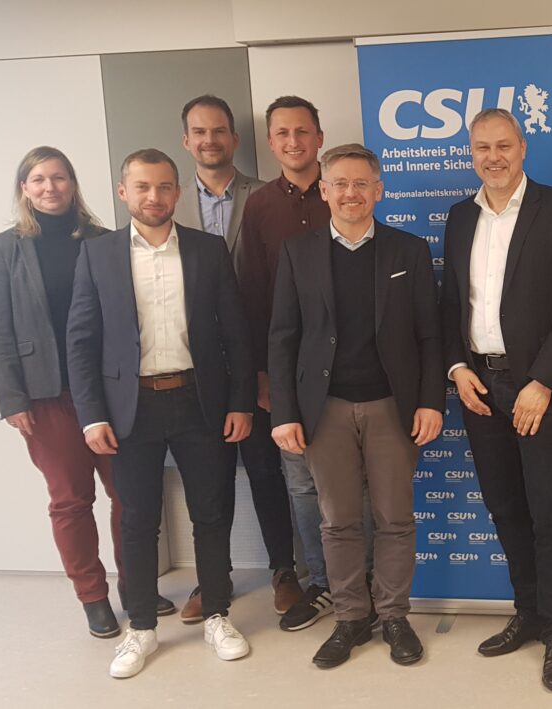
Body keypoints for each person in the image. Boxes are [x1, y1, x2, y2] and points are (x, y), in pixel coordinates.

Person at [67, 149, 254, 678]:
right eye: (143, 187)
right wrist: (91, 415)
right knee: (138, 519)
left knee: (211, 513)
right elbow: (80, 341)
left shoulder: (207, 250)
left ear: (177, 192)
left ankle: (217, 615)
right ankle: (142, 627)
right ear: (124, 192)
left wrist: (241, 401)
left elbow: (236, 333)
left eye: (165, 186)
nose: (154, 197)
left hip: (200, 400)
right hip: (130, 408)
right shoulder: (98, 255)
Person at [0, 146, 175, 639]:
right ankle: (93, 597)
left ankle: (136, 587)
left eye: (59, 177)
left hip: (111, 391)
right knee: (71, 499)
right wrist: (12, 400)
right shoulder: (1, 250)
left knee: (129, 495)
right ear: (25, 188)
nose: (50, 187)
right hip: (46, 396)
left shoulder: (104, 241)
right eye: (39, 179)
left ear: (73, 184)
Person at [269, 143, 443, 669]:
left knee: (394, 519)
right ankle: (350, 617)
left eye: (361, 183)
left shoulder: (408, 250)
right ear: (324, 191)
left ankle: (393, 615)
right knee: (338, 521)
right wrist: (284, 413)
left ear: (379, 190)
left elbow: (430, 335)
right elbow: (282, 337)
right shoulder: (297, 252)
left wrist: (430, 402)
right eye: (340, 184)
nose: (351, 193)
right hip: (324, 410)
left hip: (392, 405)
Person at [440, 108, 552, 692]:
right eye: (482, 147)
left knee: (548, 512)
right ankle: (527, 613)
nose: (493, 157)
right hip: (479, 386)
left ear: (523, 147)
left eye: (503, 145)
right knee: (505, 507)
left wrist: (543, 381)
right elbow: (450, 303)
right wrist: (457, 369)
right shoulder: (461, 216)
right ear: (471, 153)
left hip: (538, 389)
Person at [173, 94, 300, 624]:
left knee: (268, 471)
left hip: (258, 359)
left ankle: (284, 571)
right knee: (210, 479)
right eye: (200, 132)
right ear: (187, 141)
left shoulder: (267, 196)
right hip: (196, 367)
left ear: (235, 139)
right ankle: (212, 577)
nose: (210, 140)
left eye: (219, 131)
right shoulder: (168, 201)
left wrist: (266, 370)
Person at [239, 95, 338, 631]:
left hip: (346, 370)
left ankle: (361, 582)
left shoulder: (342, 189)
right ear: (271, 142)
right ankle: (320, 581)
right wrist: (263, 376)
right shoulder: (259, 207)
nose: (294, 142)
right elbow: (253, 297)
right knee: (300, 483)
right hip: (287, 372)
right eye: (283, 133)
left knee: (353, 485)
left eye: (303, 131)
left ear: (319, 137)